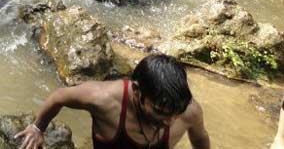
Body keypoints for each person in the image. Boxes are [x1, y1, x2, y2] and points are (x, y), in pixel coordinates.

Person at [15, 54, 211, 149]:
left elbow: (200, 138)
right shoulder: (103, 99)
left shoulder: (189, 112)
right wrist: (37, 128)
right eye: (160, 111)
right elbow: (60, 96)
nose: (170, 120)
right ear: (136, 91)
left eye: (176, 112)